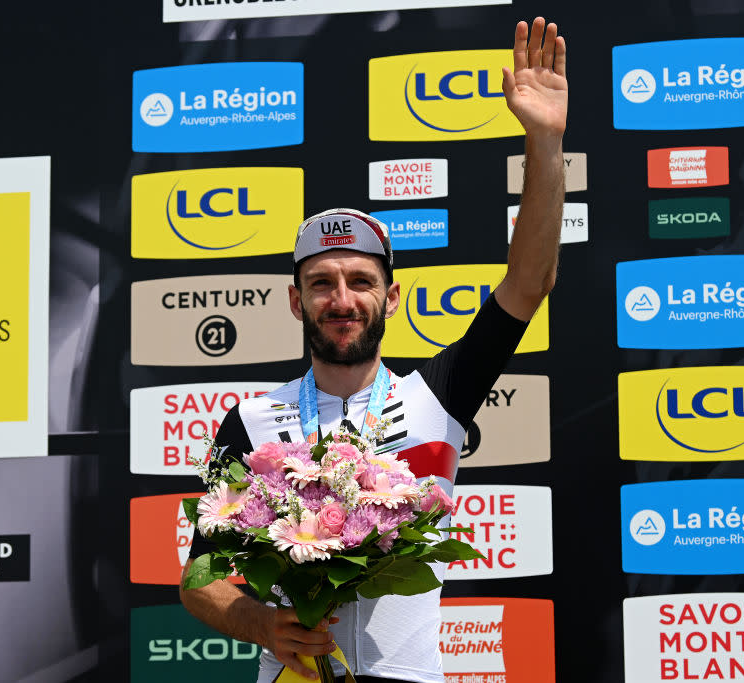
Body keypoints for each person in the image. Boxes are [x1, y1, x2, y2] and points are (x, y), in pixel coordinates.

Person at [179, 16, 568, 683]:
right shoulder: (250, 422)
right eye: (321, 283)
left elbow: (528, 284)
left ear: (390, 299)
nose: (342, 298)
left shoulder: (438, 396)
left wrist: (545, 141)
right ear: (297, 301)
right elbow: (199, 575)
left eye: (361, 281)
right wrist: (258, 620)